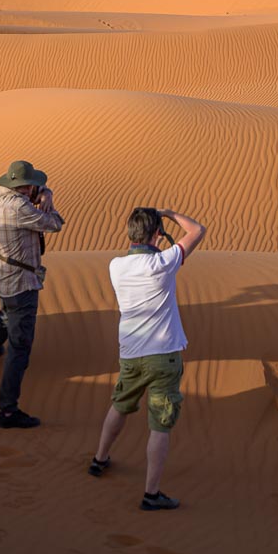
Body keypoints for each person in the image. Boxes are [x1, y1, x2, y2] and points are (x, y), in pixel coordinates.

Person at [88, 207, 206, 511]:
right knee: (160, 424)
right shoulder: (163, 263)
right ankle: (151, 494)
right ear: (156, 235)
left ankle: (99, 459)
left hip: (130, 353)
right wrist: (169, 214)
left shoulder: (116, 266)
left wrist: (157, 228)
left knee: (120, 404)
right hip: (163, 356)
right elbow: (197, 231)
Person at [0, 161, 64, 429]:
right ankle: (8, 412)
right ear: (24, 188)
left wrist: (45, 191)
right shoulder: (20, 208)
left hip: (0, 275)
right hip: (21, 282)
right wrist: (49, 201)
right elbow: (54, 224)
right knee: (20, 347)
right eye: (33, 185)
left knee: (5, 314)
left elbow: (31, 192)